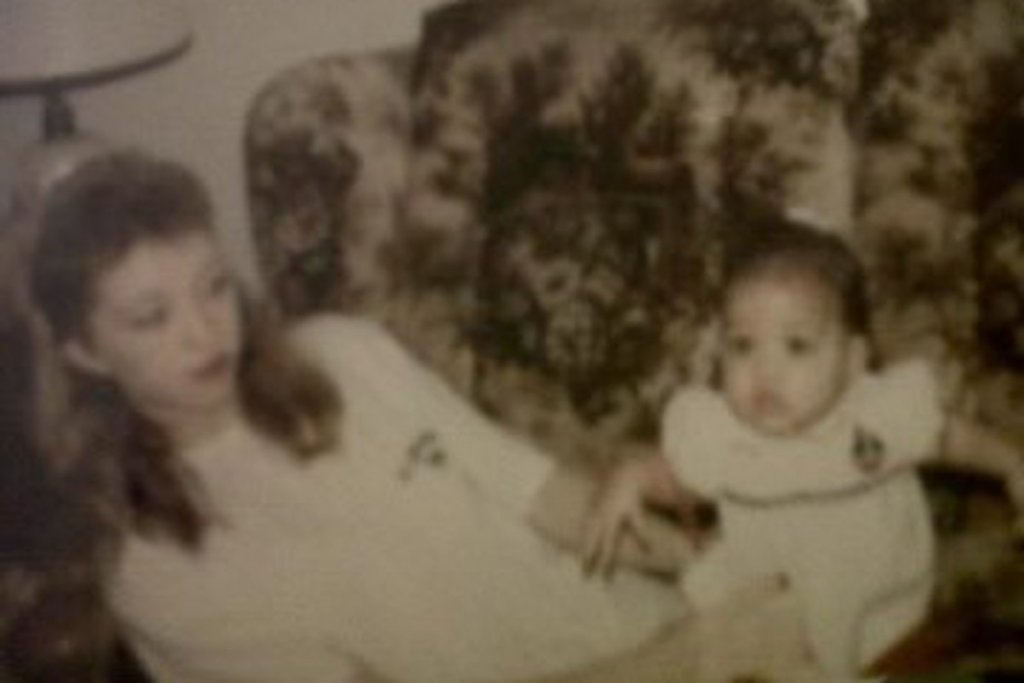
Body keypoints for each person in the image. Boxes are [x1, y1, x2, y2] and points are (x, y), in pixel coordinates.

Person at [26, 149, 697, 683]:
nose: (204, 332)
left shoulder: (343, 355)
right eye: (152, 317)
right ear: (85, 352)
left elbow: (546, 497)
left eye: (214, 286)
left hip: (660, 632)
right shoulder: (149, 565)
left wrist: (714, 573)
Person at [582, 220, 1024, 680]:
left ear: (853, 361)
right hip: (767, 597)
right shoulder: (722, 432)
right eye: (742, 346)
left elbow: (949, 438)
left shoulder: (876, 415)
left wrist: (1013, 463)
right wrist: (631, 477)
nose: (765, 371)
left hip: (879, 603)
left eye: (797, 346)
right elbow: (678, 477)